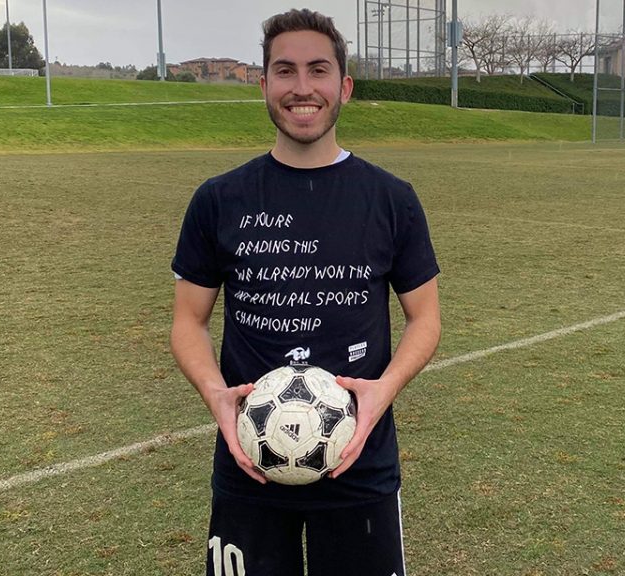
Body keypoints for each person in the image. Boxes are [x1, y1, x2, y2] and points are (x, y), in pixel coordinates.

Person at [169, 9, 441, 576]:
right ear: (264, 84)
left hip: (359, 469)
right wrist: (216, 394)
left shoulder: (392, 199)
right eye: (284, 71)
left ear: (343, 86)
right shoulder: (219, 200)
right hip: (250, 467)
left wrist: (382, 391)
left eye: (318, 70)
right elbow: (188, 322)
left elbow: (426, 319)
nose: (301, 88)